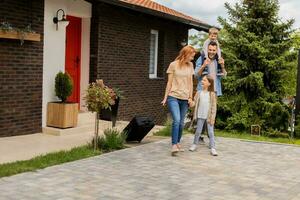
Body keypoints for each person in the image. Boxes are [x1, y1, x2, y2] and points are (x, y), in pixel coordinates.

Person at [161, 45, 196, 155]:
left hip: (185, 98)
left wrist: (190, 97)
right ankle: (174, 145)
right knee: (176, 120)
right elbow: (169, 83)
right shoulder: (173, 65)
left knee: (181, 123)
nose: (193, 58)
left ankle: (178, 142)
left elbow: (190, 83)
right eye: (192, 55)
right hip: (173, 96)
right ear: (186, 54)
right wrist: (165, 97)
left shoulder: (190, 65)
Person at [189, 75, 218, 156]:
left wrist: (212, 118)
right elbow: (194, 103)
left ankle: (213, 148)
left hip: (208, 117)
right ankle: (194, 144)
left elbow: (213, 108)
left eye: (204, 80)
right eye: (202, 80)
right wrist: (191, 103)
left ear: (209, 83)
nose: (202, 81)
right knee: (198, 131)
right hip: (200, 116)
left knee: (211, 132)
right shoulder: (198, 93)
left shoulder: (212, 94)